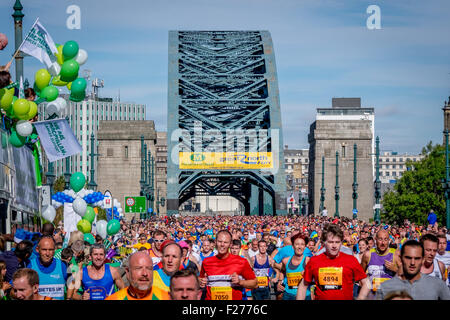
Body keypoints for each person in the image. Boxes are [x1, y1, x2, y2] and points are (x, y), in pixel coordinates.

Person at [296, 224, 370, 300]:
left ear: (341, 242)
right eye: (331, 242)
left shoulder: (351, 260)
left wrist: (361, 297)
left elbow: (366, 283)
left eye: (337, 242)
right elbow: (303, 285)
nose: (334, 246)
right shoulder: (314, 261)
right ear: (324, 242)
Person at [377, 240, 450, 300]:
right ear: (401, 258)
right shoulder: (385, 287)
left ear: (422, 259)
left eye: (417, 258)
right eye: (408, 258)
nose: (412, 263)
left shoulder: (438, 284)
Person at [199, 230, 257, 300]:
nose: (222, 244)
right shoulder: (206, 262)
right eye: (220, 241)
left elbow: (255, 284)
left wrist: (240, 282)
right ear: (215, 242)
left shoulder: (241, 261)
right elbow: (200, 279)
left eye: (225, 242)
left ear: (230, 244)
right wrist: (201, 282)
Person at [360, 229, 399, 297]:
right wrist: (367, 286)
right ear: (375, 240)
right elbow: (360, 275)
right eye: (380, 239)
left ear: (389, 240)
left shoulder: (395, 254)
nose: (383, 243)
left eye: (385, 239)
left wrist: (395, 269)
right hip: (372, 295)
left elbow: (406, 276)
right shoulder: (368, 255)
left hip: (390, 295)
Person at [279, 234, 311, 300]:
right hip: (288, 295)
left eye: (302, 244)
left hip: (305, 295)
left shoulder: (309, 261)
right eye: (297, 244)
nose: (299, 247)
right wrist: (280, 282)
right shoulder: (285, 260)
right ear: (293, 246)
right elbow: (282, 270)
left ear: (305, 247)